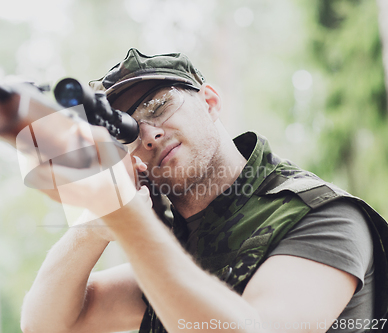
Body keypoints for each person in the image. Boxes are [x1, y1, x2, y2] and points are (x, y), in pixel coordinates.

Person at [20, 49, 388, 333]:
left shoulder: (320, 215)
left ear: (210, 101)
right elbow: (49, 323)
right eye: (127, 131)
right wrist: (99, 223)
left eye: (159, 105)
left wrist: (127, 220)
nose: (148, 134)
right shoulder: (177, 246)